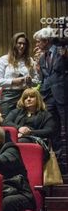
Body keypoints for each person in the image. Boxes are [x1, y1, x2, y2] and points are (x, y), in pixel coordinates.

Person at [34, 27, 68, 172]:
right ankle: (60, 165)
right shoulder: (42, 58)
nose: (37, 44)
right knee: (53, 130)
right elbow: (43, 79)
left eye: (39, 41)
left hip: (63, 96)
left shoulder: (62, 51)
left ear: (46, 40)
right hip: (48, 98)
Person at [0, 32, 39, 118]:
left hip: (25, 95)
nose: (22, 46)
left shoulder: (29, 60)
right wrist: (13, 81)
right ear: (14, 44)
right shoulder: (4, 59)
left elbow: (37, 81)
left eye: (24, 44)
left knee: (25, 120)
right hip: (9, 95)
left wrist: (30, 81)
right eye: (19, 43)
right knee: (7, 120)